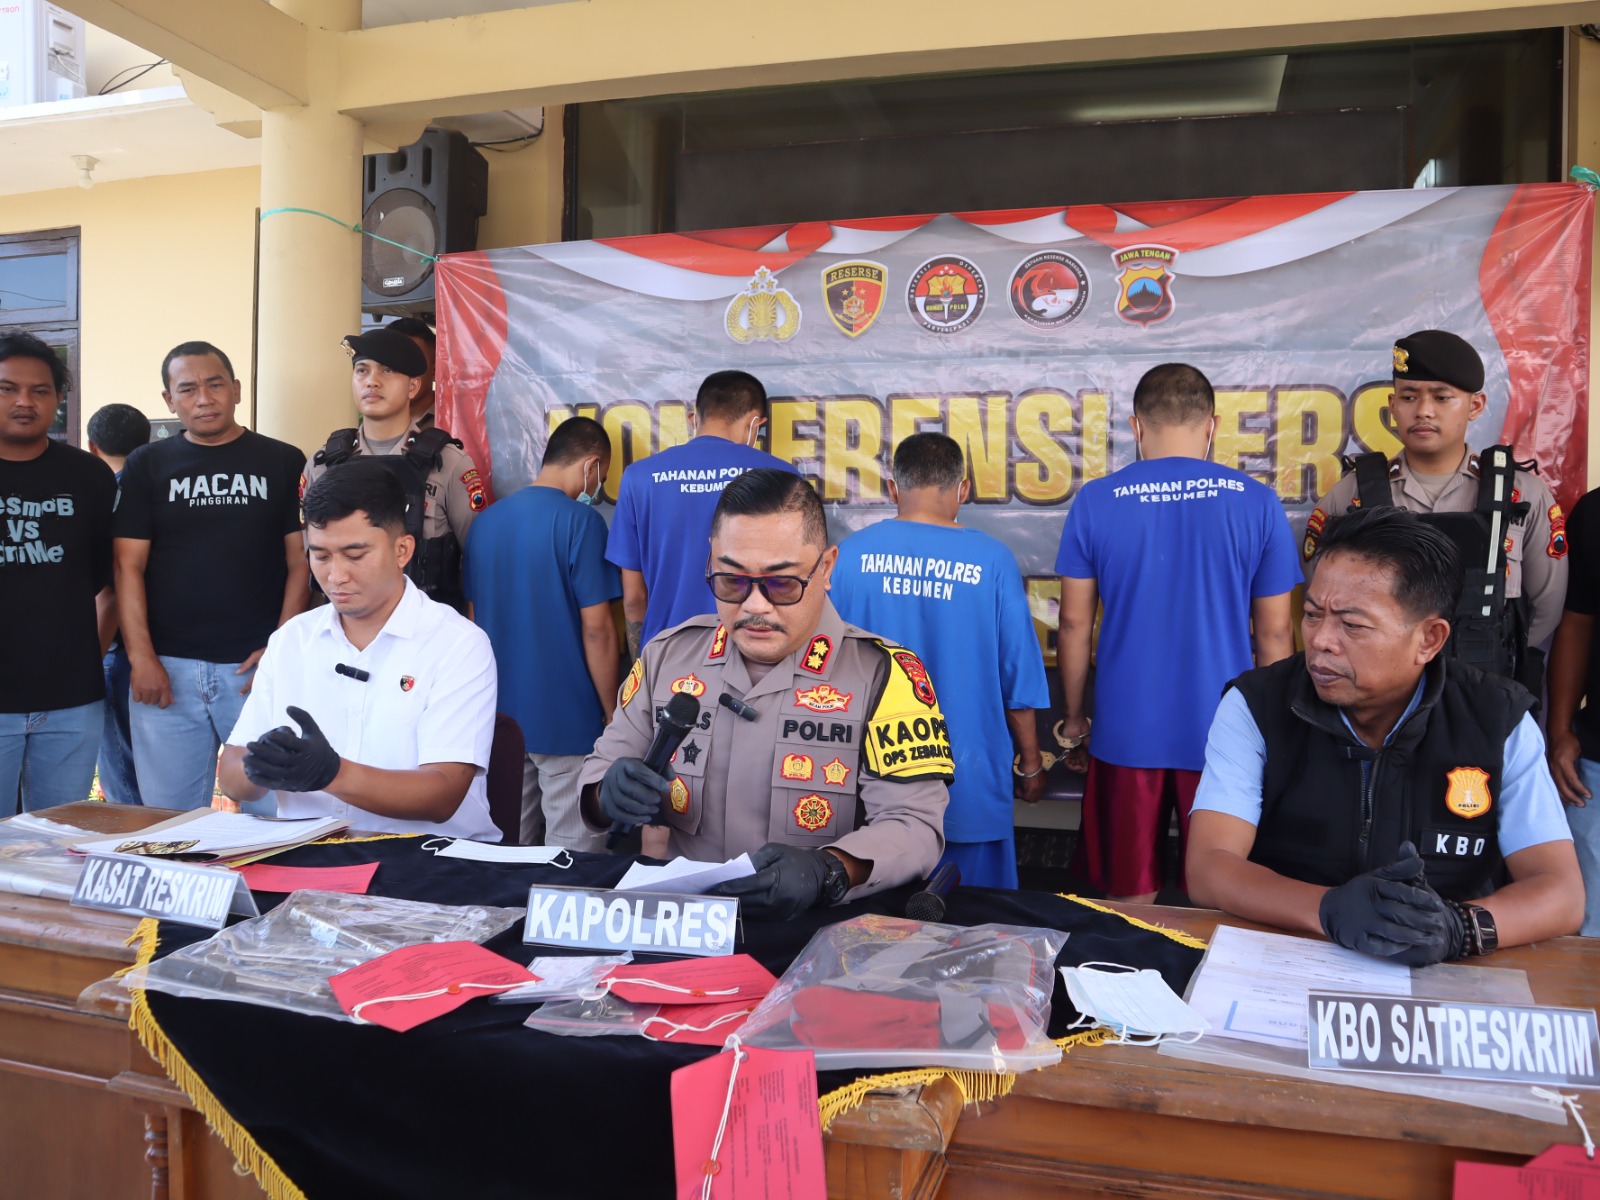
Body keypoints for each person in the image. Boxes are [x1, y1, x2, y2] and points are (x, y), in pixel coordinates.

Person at [1188, 508, 1583, 963]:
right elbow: (1209, 866)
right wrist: (1326, 909)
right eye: (1312, 614)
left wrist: (1459, 928)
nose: (1321, 640)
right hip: (1285, 954)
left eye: (1352, 624)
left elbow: (1561, 892)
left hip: (1444, 968)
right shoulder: (1256, 705)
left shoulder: (1497, 718)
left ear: (1429, 639)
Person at [580, 469, 948, 918]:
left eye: (782, 583)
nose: (755, 606)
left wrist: (828, 869)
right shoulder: (669, 657)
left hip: (816, 933)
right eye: (732, 581)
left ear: (825, 568)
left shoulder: (883, 675)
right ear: (710, 563)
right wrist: (607, 792)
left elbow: (914, 827)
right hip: (690, 926)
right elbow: (599, 776)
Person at [1055, 363, 1300, 902]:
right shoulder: (1257, 502)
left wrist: (1075, 720)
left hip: (1126, 728)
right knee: (1219, 895)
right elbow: (1276, 635)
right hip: (1226, 732)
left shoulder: (1097, 500)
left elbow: (1073, 624)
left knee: (1126, 898)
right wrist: (1277, 735)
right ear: (1212, 425)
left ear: (1136, 425)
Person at [219, 459, 500, 839]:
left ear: (402, 550)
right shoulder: (291, 639)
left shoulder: (457, 644)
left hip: (424, 858)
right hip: (310, 852)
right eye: (320, 556)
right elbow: (233, 775)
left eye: (355, 556)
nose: (336, 576)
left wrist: (332, 773)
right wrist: (261, 765)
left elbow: (443, 794)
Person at [830, 432, 1049, 888]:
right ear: (963, 489)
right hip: (968, 780)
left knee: (871, 922)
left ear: (893, 489)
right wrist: (1031, 764)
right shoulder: (992, 560)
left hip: (868, 782)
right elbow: (1018, 682)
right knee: (978, 919)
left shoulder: (847, 557)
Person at [1305, 330, 1567, 696]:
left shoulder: (1522, 495)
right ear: (1392, 405)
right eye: (1409, 397)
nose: (1423, 411)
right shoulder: (1352, 496)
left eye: (1442, 397)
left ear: (1475, 405)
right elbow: (1322, 600)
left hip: (1487, 692)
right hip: (1381, 699)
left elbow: (1546, 607)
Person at [113, 341, 308, 810]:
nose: (204, 398)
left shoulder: (282, 461)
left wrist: (279, 650)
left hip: (255, 668)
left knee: (277, 814)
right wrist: (141, 657)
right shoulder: (147, 464)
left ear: (237, 390)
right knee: (169, 822)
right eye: (188, 389)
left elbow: (301, 561)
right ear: (169, 400)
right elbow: (127, 565)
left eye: (215, 384)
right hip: (167, 671)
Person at [463, 416, 621, 849]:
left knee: (506, 853)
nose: (597, 488)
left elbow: (473, 623)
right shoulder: (583, 523)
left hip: (499, 719)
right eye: (601, 477)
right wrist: (612, 711)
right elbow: (598, 630)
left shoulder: (485, 523)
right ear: (590, 465)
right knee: (571, 864)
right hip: (568, 719)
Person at [0, 333, 117, 813]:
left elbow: (110, 585)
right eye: (7, 388)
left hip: (72, 704)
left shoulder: (89, 476)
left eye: (40, 390)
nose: (24, 401)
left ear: (58, 398)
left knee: (61, 839)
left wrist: (87, 659)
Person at [607, 370, 797, 657]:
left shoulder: (639, 477)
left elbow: (634, 598)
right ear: (755, 422)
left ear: (693, 418)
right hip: (750, 652)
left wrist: (642, 666)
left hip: (666, 654)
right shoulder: (782, 475)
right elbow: (792, 582)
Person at [302, 328, 483, 612]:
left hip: (427, 626)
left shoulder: (447, 463)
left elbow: (477, 561)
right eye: (362, 370)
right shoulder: (323, 464)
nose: (372, 381)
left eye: (387, 371)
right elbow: (311, 559)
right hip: (345, 624)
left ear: (413, 387)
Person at [85, 402, 151, 805]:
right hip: (153, 650)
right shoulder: (153, 487)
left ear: (93, 447)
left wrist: (87, 667)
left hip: (116, 649)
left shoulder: (109, 495)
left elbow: (110, 591)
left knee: (123, 775)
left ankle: (138, 842)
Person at [1547, 483, 1599, 936]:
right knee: (1587, 932)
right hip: (1597, 764)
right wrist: (1560, 729)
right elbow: (1577, 625)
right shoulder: (1596, 513)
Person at [385, 316, 437, 428]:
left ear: (435, 371)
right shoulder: (375, 420)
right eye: (388, 363)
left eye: (410, 359)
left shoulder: (453, 421)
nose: (397, 369)